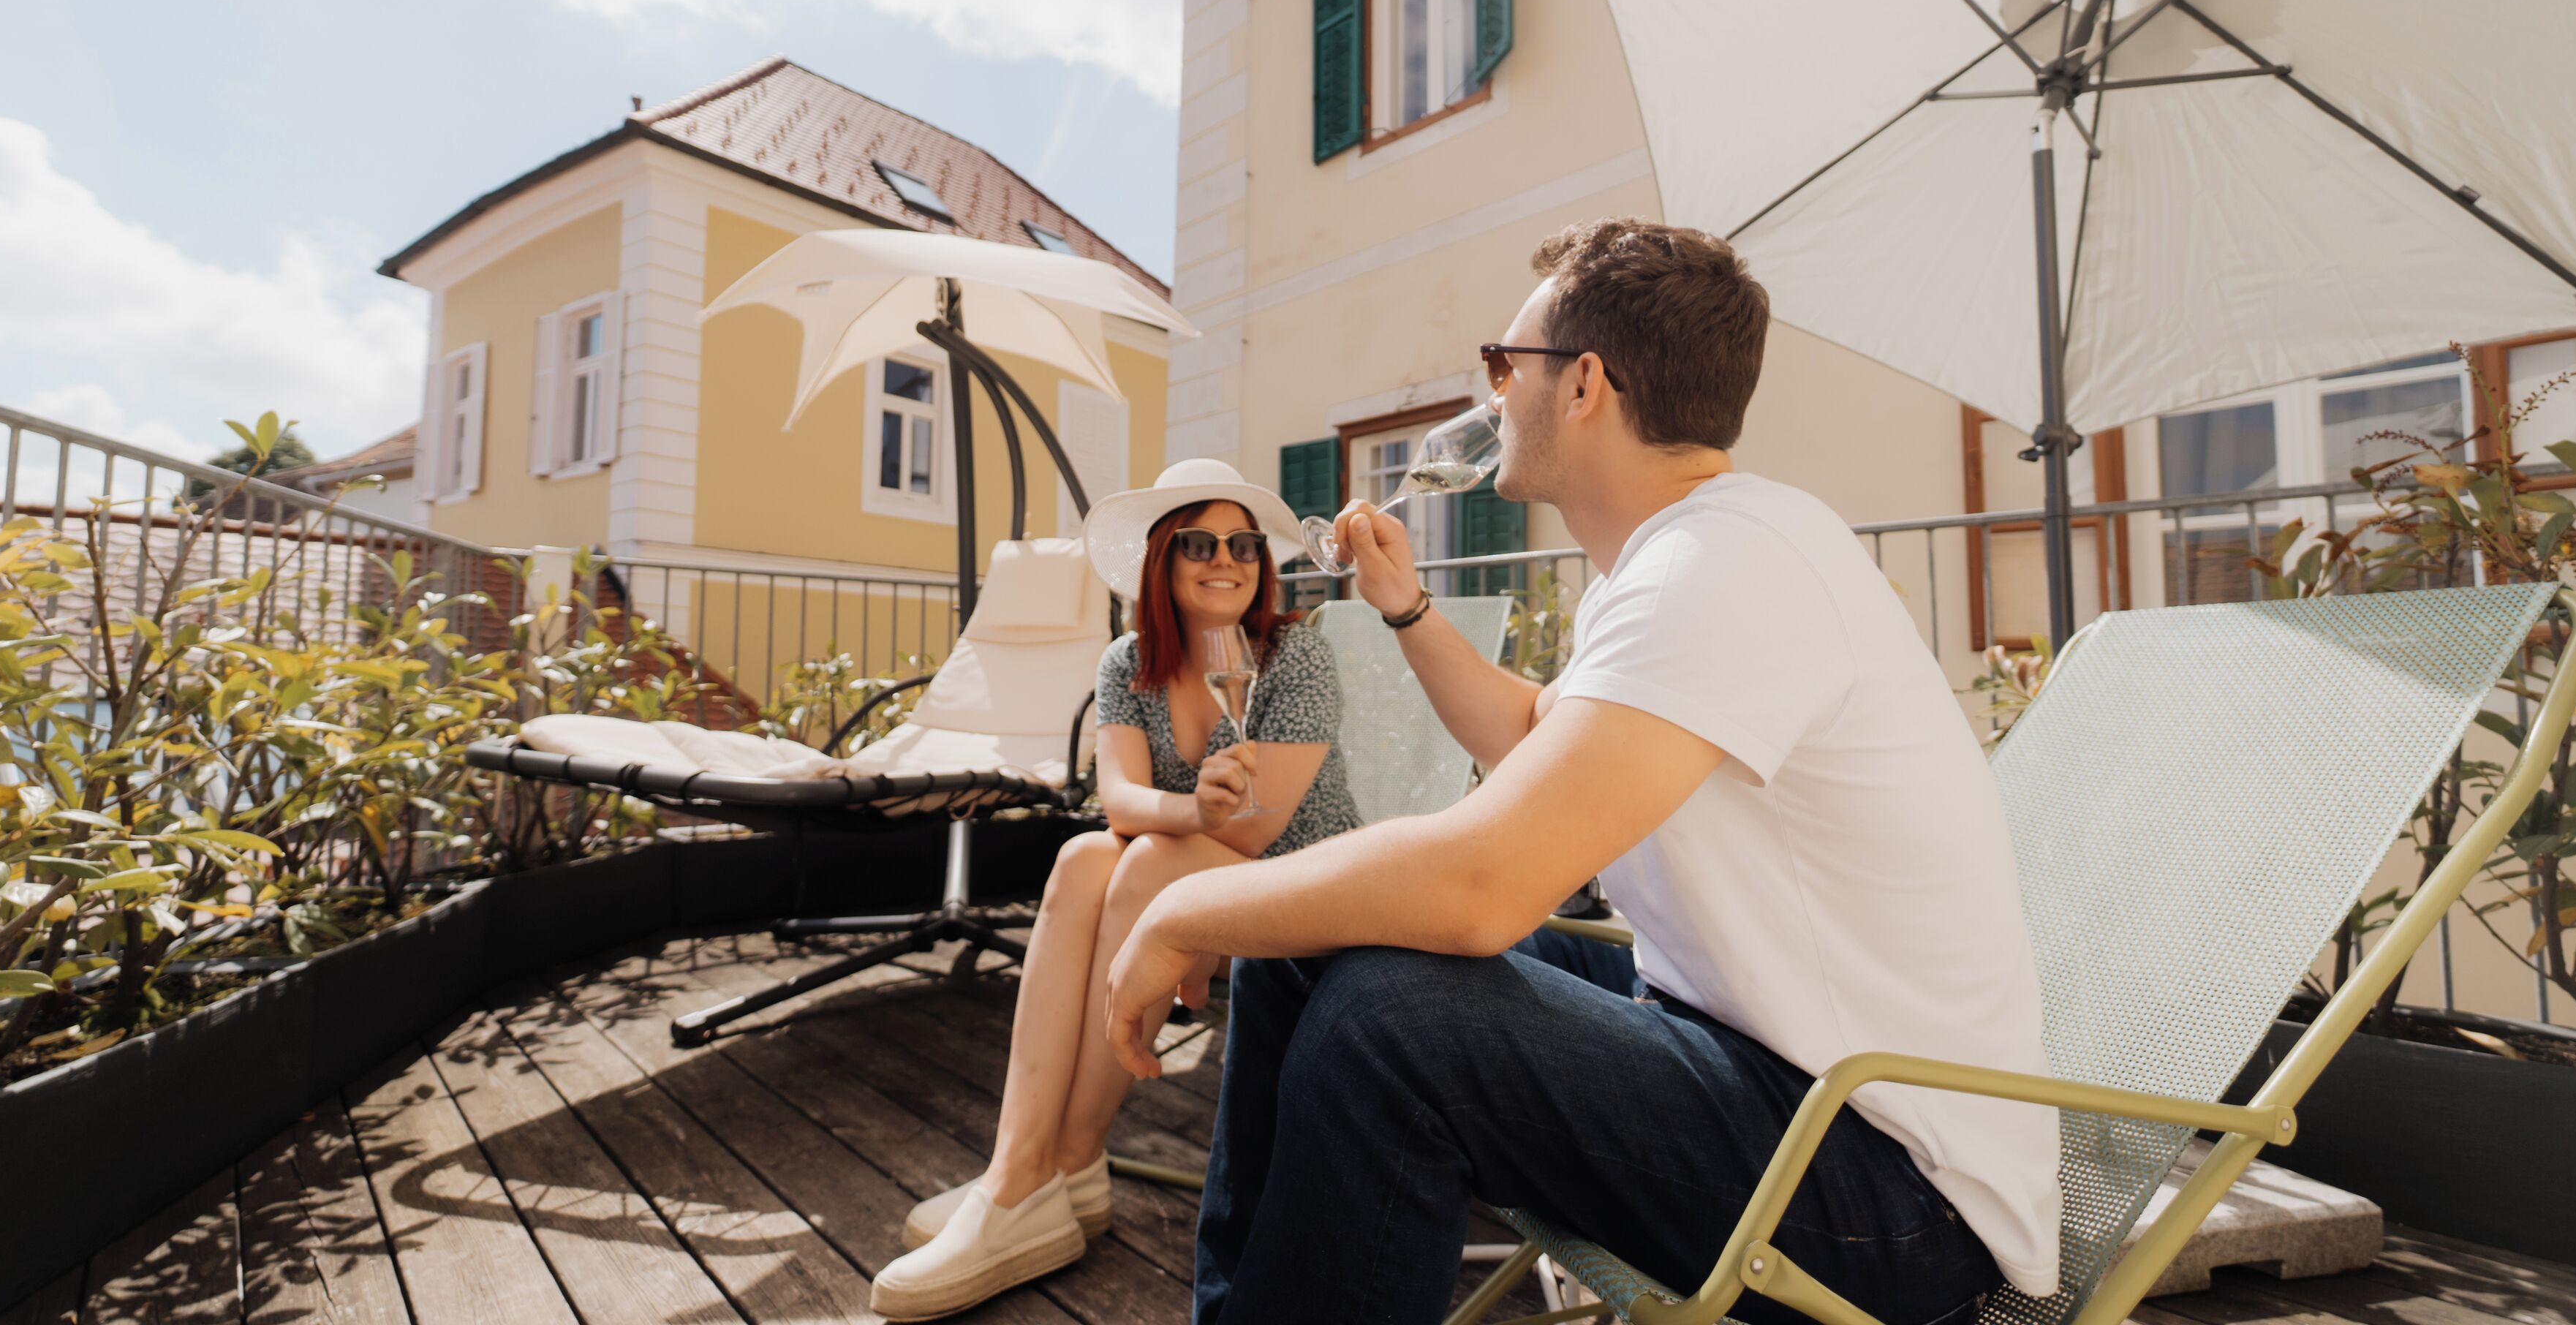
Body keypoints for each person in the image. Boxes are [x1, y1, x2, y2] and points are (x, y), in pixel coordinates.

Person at [1103, 219, 2062, 1325]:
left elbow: (1483, 887)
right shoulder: (1676, 562)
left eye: (1503, 364)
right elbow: (1531, 734)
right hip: (1752, 1058)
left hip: (1890, 1185)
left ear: (1585, 384)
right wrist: (1406, 607)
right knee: (1312, 947)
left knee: (1389, 1021)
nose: (1492, 394)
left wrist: (1184, 910)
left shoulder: (1730, 563)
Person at [871, 458, 1360, 1322]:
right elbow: (1121, 799)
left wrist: (1199, 818)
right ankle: (1025, 1170)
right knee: (1081, 859)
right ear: (1162, 560)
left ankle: (1058, 1166)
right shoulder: (1129, 663)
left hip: (1309, 896)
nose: (1227, 559)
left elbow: (1256, 832)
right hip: (1195, 889)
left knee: (1140, 864)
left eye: (1244, 544)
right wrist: (1192, 804)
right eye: (1200, 543)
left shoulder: (1296, 656)